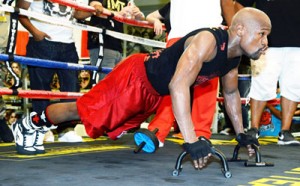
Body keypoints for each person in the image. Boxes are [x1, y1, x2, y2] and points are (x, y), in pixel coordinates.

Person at [13, 8, 270, 169]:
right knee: (85, 111)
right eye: (261, 34)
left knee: (103, 122)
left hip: (152, 95)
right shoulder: (208, 40)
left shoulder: (233, 57)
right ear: (239, 29)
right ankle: (32, 122)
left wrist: (242, 134)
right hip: (134, 79)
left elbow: (231, 93)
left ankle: (36, 122)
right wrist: (190, 140)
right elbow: (179, 84)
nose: (265, 42)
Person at [145, 0, 236, 146]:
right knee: (170, 83)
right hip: (180, 31)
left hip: (209, 31)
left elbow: (227, 3)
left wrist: (233, 32)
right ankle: (158, 130)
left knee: (206, 85)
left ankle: (201, 134)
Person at [15, 0, 103, 145]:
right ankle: (42, 128)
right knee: (41, 89)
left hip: (68, 44)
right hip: (42, 42)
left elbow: (77, 13)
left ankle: (66, 129)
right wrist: (35, 32)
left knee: (71, 88)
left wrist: (94, 9)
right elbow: (19, 10)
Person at [235, 0, 300, 145]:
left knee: (293, 87)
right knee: (261, 84)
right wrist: (245, 32)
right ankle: (254, 129)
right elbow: (239, 4)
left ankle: (285, 131)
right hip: (265, 41)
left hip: (297, 42)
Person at [87, 0, 144, 83]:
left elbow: (139, 18)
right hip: (102, 45)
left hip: (117, 46)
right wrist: (119, 13)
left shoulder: (125, 1)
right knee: (106, 84)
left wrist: (138, 14)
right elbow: (97, 9)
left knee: (118, 84)